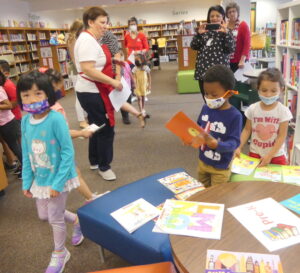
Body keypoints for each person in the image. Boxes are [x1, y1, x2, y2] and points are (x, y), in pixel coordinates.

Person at [17, 71, 84, 273]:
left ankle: (60, 253)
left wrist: (57, 184)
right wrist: (26, 182)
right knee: (44, 215)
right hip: (41, 179)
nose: (32, 99)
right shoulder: (25, 121)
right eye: (26, 95)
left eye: (38, 94)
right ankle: (77, 220)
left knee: (54, 217)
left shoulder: (55, 119)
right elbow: (27, 153)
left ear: (48, 94)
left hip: (58, 179)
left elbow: (67, 152)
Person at [74, 7, 124, 181]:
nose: (105, 26)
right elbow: (88, 69)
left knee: (96, 125)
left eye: (106, 22)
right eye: (102, 22)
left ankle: (94, 161)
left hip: (90, 90)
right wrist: (112, 81)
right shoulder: (87, 40)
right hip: (92, 91)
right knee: (106, 128)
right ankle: (104, 166)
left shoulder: (90, 39)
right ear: (90, 22)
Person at [45, 68, 105, 202]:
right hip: (60, 151)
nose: (59, 90)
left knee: (74, 173)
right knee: (72, 174)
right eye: (57, 88)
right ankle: (90, 198)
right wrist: (81, 133)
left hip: (50, 150)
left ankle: (89, 197)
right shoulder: (55, 110)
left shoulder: (41, 109)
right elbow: (63, 134)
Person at [184, 65, 242, 187]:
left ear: (229, 94)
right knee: (202, 192)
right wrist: (190, 137)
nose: (209, 98)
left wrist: (217, 145)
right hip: (203, 162)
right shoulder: (206, 108)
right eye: (206, 93)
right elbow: (199, 127)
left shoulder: (235, 116)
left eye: (214, 95)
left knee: (216, 196)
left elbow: (234, 143)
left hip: (221, 167)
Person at [235, 68, 292, 167]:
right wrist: (238, 146)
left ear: (281, 89)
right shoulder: (252, 109)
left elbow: (282, 136)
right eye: (264, 90)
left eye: (273, 91)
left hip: (276, 155)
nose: (268, 95)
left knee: (277, 182)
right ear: (258, 88)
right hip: (255, 154)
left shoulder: (283, 111)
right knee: (255, 181)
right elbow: (247, 130)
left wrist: (269, 156)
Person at [190, 5, 235, 101]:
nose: (214, 18)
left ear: (223, 17)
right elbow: (194, 46)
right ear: (208, 18)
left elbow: (230, 49)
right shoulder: (204, 32)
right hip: (204, 72)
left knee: (221, 100)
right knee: (207, 99)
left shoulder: (227, 32)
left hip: (221, 73)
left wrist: (226, 33)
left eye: (218, 16)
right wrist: (198, 34)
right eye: (212, 16)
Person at [0, 59, 22, 172]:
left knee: (18, 144)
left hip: (13, 118)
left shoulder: (7, 86)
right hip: (8, 119)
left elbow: (15, 101)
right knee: (12, 144)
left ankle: (24, 165)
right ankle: (15, 162)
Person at [67, 19, 89, 129]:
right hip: (76, 71)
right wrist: (81, 71)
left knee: (82, 94)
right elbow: (74, 57)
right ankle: (81, 120)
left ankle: (84, 116)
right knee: (79, 96)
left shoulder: (77, 38)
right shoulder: (72, 39)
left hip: (79, 70)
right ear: (78, 29)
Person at [226, 2, 251, 72]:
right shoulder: (224, 26)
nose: (232, 13)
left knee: (240, 82)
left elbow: (247, 44)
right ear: (227, 14)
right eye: (229, 12)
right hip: (227, 61)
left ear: (237, 12)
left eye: (234, 11)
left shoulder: (243, 25)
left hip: (240, 61)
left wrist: (242, 60)